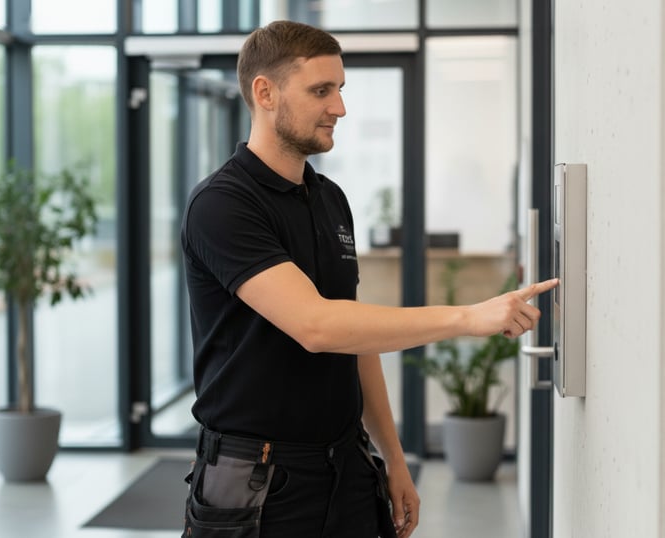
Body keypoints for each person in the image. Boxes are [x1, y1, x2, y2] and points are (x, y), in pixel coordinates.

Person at [180, 19, 558, 538]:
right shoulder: (223, 205)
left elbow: (354, 340)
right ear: (264, 93)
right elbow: (318, 327)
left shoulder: (330, 199)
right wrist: (469, 317)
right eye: (321, 90)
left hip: (348, 469)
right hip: (257, 484)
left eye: (339, 90)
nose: (339, 108)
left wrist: (393, 458)